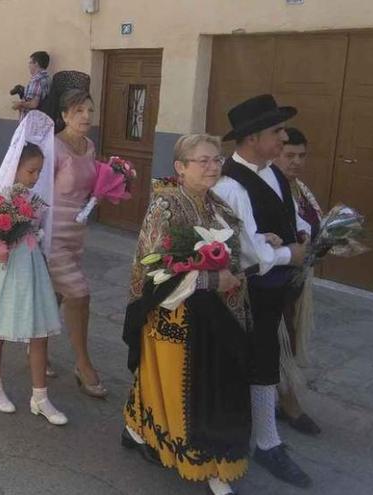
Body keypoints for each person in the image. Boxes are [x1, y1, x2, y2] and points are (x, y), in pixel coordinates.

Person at [122, 134, 252, 495]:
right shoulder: (165, 206)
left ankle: (141, 432)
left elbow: (236, 252)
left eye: (217, 160)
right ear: (180, 167)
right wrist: (212, 276)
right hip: (173, 315)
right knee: (175, 385)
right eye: (204, 161)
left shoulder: (219, 206)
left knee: (207, 384)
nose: (213, 166)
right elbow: (156, 269)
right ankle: (173, 445)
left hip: (215, 315)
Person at [212, 94, 311, 489]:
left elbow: (285, 213)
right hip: (247, 292)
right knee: (250, 364)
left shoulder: (270, 171)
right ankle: (256, 442)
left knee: (265, 361)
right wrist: (292, 252)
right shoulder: (232, 185)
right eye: (277, 131)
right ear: (252, 138)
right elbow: (250, 250)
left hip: (273, 290)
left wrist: (299, 230)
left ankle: (266, 437)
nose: (283, 137)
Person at [0, 110, 66, 425]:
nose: (35, 177)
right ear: (16, 167)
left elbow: (39, 228)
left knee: (38, 331)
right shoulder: (4, 196)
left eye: (39, 171)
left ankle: (40, 396)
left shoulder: (34, 198)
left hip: (32, 266)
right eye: (30, 171)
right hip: (6, 266)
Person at [45, 77, 109, 397]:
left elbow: (91, 186)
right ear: (65, 115)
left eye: (89, 110)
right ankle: (83, 365)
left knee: (55, 295)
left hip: (77, 233)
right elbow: (39, 191)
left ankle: (37, 349)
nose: (86, 116)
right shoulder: (53, 146)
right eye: (78, 110)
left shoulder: (89, 146)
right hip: (53, 233)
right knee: (79, 294)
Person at [272, 127, 322, 436]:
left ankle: (284, 398)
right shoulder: (265, 189)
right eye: (289, 155)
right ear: (273, 153)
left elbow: (315, 224)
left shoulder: (300, 190)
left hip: (295, 281)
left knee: (288, 339)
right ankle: (288, 403)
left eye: (302, 156)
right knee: (276, 341)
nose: (296, 162)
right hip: (270, 280)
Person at [12, 51, 50, 120]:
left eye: (30, 62)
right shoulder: (47, 78)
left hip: (31, 120)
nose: (29, 65)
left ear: (36, 64)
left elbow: (33, 104)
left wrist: (19, 104)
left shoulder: (36, 80)